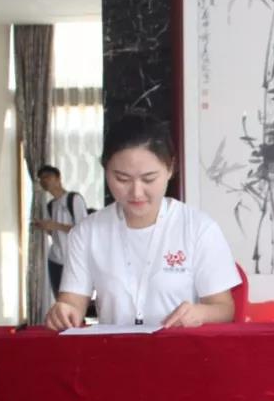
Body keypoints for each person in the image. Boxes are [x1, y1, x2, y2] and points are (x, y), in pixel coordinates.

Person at [44, 114, 240, 331]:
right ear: (105, 169)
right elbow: (72, 303)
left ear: (170, 168)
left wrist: (199, 313)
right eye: (122, 179)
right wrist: (63, 312)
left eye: (149, 179)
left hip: (179, 348)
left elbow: (224, 308)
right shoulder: (87, 232)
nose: (136, 192)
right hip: (113, 348)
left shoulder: (199, 228)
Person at [34, 165, 89, 296]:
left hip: (74, 260)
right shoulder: (50, 205)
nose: (44, 181)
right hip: (55, 260)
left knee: (74, 299)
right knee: (60, 300)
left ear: (58, 178)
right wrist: (45, 227)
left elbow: (83, 230)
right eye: (41, 179)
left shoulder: (73, 199)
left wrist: (56, 226)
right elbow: (54, 233)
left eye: (47, 177)